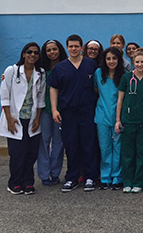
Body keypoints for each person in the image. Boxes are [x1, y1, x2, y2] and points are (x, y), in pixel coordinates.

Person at [48, 34, 99, 192]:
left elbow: (97, 87)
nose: (74, 49)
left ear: (82, 48)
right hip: (68, 112)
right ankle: (72, 177)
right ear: (67, 47)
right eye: (71, 46)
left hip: (87, 110)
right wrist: (55, 109)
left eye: (77, 46)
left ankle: (90, 176)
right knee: (71, 145)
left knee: (88, 144)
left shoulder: (91, 65)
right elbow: (54, 88)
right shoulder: (60, 68)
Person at [0, 42, 45, 195]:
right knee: (18, 153)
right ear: (23, 54)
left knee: (31, 153)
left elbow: (41, 98)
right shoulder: (12, 70)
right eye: (29, 52)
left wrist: (38, 118)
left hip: (31, 118)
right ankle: (14, 183)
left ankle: (28, 183)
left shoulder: (41, 73)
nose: (32, 55)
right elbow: (4, 95)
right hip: (16, 119)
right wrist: (9, 118)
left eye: (36, 53)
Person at [116, 48, 143, 193]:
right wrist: (118, 119)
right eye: (137, 61)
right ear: (133, 62)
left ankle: (139, 181)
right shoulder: (126, 78)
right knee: (128, 152)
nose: (139, 64)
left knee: (142, 152)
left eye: (142, 61)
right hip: (128, 119)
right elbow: (120, 100)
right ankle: (127, 181)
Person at [93, 47, 125, 190]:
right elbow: (96, 91)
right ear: (104, 60)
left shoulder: (124, 76)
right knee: (105, 148)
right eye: (108, 59)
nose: (111, 61)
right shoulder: (98, 74)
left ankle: (117, 177)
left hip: (118, 117)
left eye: (114, 58)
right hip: (102, 116)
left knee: (118, 148)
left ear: (119, 60)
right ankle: (105, 177)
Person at [37, 39, 67, 187]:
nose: (52, 52)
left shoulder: (66, 67)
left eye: (54, 49)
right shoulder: (40, 70)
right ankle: (44, 174)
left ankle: (55, 173)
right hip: (44, 110)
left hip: (62, 110)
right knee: (43, 141)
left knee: (59, 142)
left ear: (59, 50)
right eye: (49, 50)